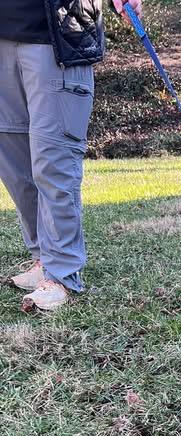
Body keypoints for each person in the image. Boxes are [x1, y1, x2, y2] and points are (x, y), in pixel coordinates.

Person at [0, 0, 143, 312]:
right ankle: (43, 258)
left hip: (58, 36)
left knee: (53, 160)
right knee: (13, 165)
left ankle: (61, 272)